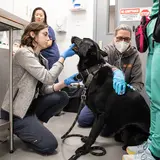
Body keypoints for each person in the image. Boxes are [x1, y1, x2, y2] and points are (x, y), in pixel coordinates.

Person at [0, 22, 80, 155]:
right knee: (50, 146)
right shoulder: (23, 53)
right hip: (16, 113)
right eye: (45, 34)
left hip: (30, 108)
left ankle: (35, 125)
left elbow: (43, 90)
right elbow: (48, 77)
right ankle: (18, 129)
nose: (49, 38)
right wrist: (62, 57)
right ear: (33, 35)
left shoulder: (41, 59)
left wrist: (64, 83)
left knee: (62, 97)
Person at [77, 24, 147, 136]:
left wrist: (130, 90)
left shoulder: (135, 56)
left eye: (126, 39)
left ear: (130, 40)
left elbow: (138, 82)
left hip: (121, 98)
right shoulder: (107, 50)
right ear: (114, 38)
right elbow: (100, 63)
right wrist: (116, 71)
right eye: (119, 38)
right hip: (102, 97)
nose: (122, 41)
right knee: (83, 120)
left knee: (106, 131)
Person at [123, 1, 160, 160]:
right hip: (154, 33)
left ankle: (155, 152)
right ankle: (152, 142)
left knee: (159, 98)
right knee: (153, 95)